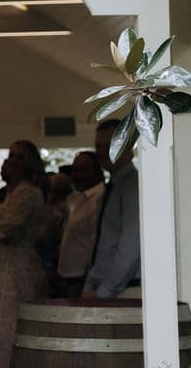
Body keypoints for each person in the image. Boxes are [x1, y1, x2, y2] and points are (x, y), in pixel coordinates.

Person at [0, 139, 52, 368]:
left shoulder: (27, 193)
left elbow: (5, 232)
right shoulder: (11, 193)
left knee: (10, 323)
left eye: (18, 157)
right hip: (2, 270)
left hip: (16, 270)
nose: (11, 161)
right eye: (10, 155)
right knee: (0, 322)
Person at [85, 119, 140, 298]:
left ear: (127, 146)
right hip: (107, 288)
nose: (101, 152)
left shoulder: (133, 186)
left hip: (124, 291)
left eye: (108, 145)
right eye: (98, 146)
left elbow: (131, 246)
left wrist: (104, 292)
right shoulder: (113, 187)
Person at [57, 150, 105, 295]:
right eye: (75, 170)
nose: (77, 175)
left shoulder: (99, 198)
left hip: (83, 277)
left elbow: (97, 240)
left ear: (97, 172)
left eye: (84, 170)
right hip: (68, 275)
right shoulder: (77, 198)